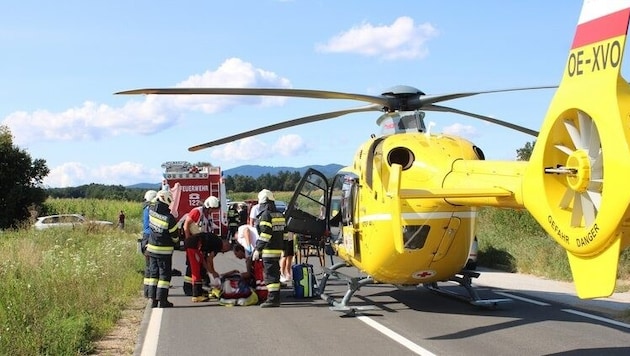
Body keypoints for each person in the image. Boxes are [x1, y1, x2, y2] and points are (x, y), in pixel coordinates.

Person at [252, 189, 287, 308]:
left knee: (270, 275)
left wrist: (258, 249)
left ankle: (272, 299)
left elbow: (265, 234)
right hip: (278, 249)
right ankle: (275, 298)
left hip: (268, 250)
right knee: (275, 274)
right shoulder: (280, 214)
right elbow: (284, 233)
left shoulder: (266, 215)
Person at [146, 190, 179, 308]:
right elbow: (175, 235)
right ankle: (162, 301)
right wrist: (177, 243)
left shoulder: (151, 211)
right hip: (164, 251)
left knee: (153, 275)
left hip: (151, 248)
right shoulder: (169, 218)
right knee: (164, 276)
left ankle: (153, 300)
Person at [183, 231, 232, 302]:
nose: (223, 252)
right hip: (194, 246)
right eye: (225, 250)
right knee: (196, 270)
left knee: (197, 268)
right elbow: (209, 259)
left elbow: (204, 261)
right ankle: (196, 295)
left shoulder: (213, 241)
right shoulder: (218, 244)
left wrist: (209, 271)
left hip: (192, 244)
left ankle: (195, 290)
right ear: (225, 245)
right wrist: (213, 272)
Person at [141, 190, 157, 298]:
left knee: (148, 268)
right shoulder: (152, 210)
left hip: (145, 239)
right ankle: (152, 292)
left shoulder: (145, 209)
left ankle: (147, 292)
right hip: (151, 238)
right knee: (153, 267)